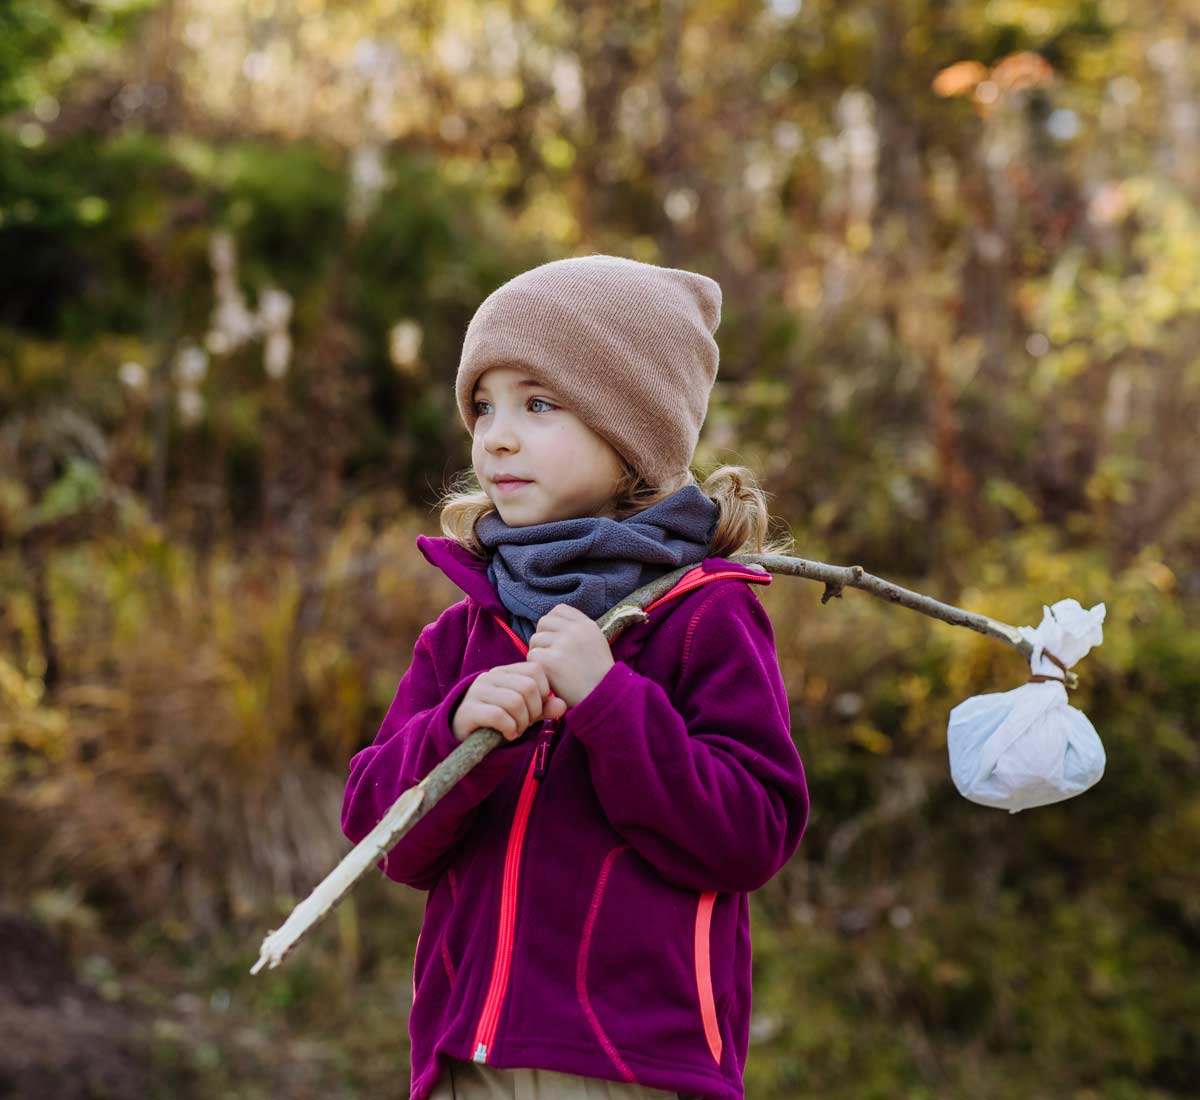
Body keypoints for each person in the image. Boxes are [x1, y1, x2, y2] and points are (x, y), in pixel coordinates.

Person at [340, 254, 810, 1100]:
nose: (496, 435)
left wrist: (611, 703)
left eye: (538, 404)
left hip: (631, 1065)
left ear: (634, 433)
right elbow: (386, 842)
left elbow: (752, 833)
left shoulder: (705, 616)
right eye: (483, 406)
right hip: (464, 1059)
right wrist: (451, 734)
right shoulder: (466, 631)